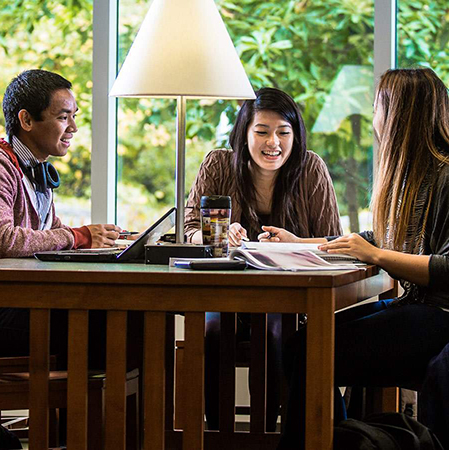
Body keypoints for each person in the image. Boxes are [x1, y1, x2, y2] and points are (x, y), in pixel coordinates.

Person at [263, 68, 449, 449]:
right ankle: (339, 440)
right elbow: (376, 238)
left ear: (399, 115)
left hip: (439, 320)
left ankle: (326, 442)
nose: (374, 117)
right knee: (306, 342)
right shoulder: (416, 174)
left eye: (379, 107)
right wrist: (303, 242)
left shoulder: (445, 176)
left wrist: (377, 255)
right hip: (418, 309)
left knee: (311, 347)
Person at [185, 87, 342, 431]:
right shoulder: (218, 164)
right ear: (244, 134)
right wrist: (215, 236)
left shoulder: (311, 168)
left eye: (284, 133)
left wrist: (297, 242)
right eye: (262, 132)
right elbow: (190, 228)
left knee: (275, 332)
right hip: (225, 292)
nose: (274, 143)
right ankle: (219, 432)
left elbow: (335, 240)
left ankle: (270, 433)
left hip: (288, 298)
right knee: (213, 331)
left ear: (295, 136)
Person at [0, 69, 121, 368]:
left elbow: (51, 231)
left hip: (23, 300)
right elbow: (5, 240)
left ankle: (97, 413)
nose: (74, 128)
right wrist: (78, 236)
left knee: (127, 318)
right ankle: (85, 414)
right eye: (63, 117)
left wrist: (103, 238)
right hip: (6, 308)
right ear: (26, 120)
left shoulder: (35, 169)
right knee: (106, 321)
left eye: (74, 116)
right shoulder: (3, 167)